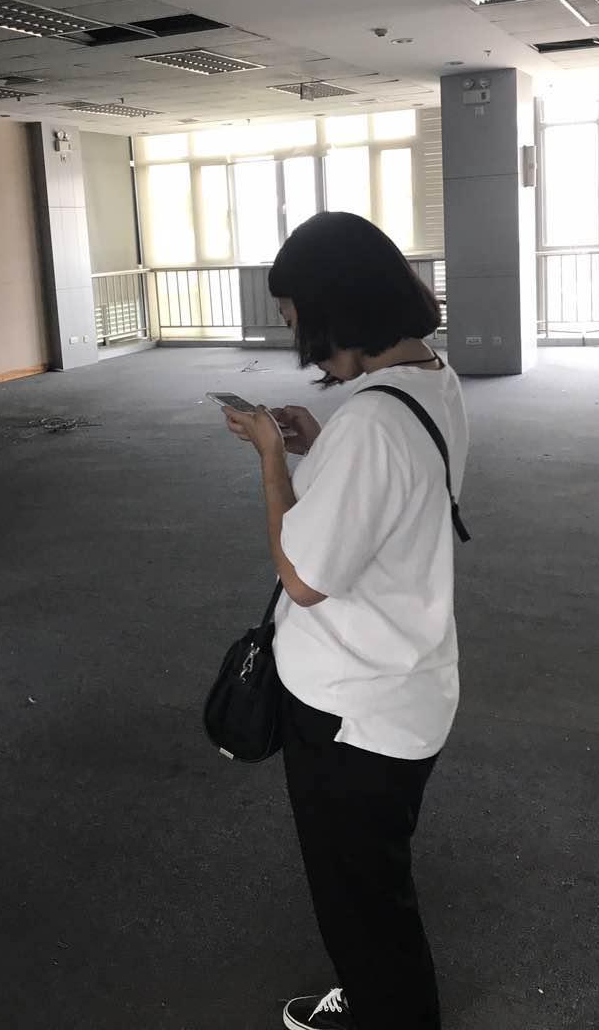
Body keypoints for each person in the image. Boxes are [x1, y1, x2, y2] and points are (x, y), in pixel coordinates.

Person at [220, 212, 469, 1030]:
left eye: (298, 318)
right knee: (372, 881)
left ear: (338, 308)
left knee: (360, 900)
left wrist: (270, 457)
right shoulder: (429, 379)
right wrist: (318, 444)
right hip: (405, 683)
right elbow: (390, 489)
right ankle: (377, 999)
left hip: (351, 712)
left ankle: (388, 1012)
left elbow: (302, 578)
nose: (300, 341)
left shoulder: (371, 422)